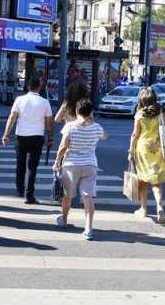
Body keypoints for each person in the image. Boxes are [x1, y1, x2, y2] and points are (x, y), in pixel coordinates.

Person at [53, 99, 107, 240]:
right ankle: (88, 228)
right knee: (88, 197)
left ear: (77, 110)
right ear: (91, 112)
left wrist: (57, 161)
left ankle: (64, 220)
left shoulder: (70, 126)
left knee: (68, 196)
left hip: (71, 165)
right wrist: (92, 120)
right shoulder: (97, 127)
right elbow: (105, 136)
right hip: (90, 165)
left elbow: (63, 147)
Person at [2, 76, 53, 204]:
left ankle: (20, 189)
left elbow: (12, 117)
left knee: (20, 164)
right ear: (39, 87)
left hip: (21, 136)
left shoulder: (19, 100)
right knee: (32, 166)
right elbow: (48, 123)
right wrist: (50, 137)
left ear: (28, 87)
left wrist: (6, 135)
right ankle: (29, 195)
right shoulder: (45, 102)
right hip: (37, 136)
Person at [128, 87, 165, 223]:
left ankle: (143, 209)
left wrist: (131, 151)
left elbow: (135, 135)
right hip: (159, 148)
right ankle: (159, 206)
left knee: (143, 179)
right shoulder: (164, 111)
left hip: (143, 149)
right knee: (156, 181)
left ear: (142, 100)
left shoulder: (140, 114)